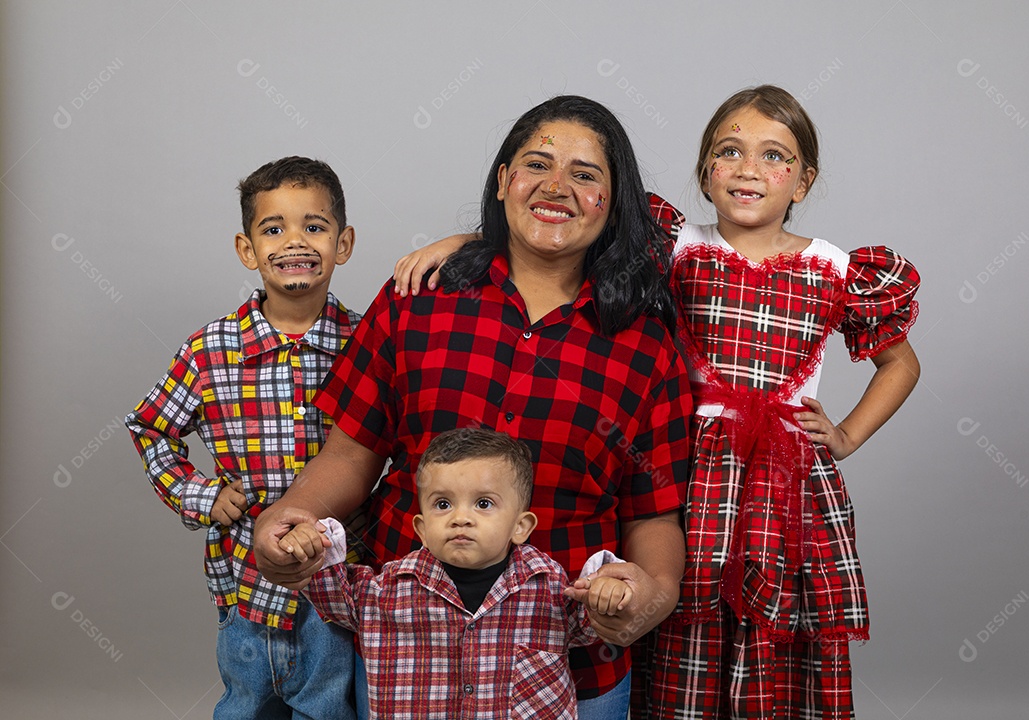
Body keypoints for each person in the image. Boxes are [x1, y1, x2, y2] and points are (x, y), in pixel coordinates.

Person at [394, 86, 921, 719]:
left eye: (774, 157)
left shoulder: (838, 270)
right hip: (697, 472)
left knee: (779, 609)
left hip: (783, 479)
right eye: (729, 152)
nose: (749, 170)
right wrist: (466, 243)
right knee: (682, 612)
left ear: (803, 182)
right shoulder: (676, 246)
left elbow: (901, 363)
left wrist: (846, 436)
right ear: (705, 170)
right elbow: (554, 223)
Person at [252, 95, 695, 720]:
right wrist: (291, 514)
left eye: (585, 174)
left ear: (614, 202)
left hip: (572, 665)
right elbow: (351, 454)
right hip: (407, 661)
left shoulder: (647, 347)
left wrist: (654, 592)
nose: (556, 186)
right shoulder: (416, 300)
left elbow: (653, 515)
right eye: (537, 164)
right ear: (504, 180)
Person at [126, 156, 360, 719]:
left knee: (328, 709)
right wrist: (202, 495)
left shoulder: (367, 342)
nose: (295, 241)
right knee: (246, 705)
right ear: (247, 249)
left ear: (343, 243)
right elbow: (151, 426)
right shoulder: (211, 350)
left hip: (340, 587)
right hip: (245, 585)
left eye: (314, 226)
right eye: (273, 229)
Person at [279, 428, 635, 719]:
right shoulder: (385, 591)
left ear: (521, 526)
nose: (460, 518)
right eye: (443, 504)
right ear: (421, 528)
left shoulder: (551, 589)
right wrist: (308, 543)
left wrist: (608, 592)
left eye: (483, 503)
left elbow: (594, 622)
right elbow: (329, 589)